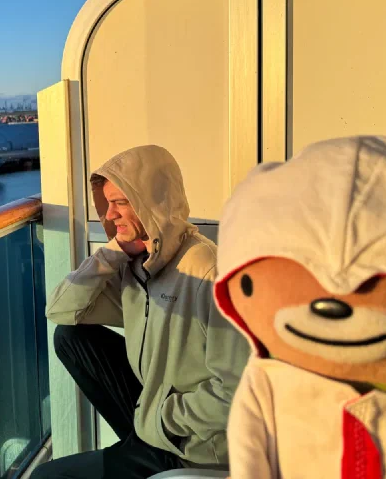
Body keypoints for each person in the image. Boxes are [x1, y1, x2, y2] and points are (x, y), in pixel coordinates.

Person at [32, 145, 248, 479]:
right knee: (70, 336)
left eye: (120, 202)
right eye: (107, 204)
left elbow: (240, 389)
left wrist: (167, 420)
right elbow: (60, 310)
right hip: (153, 429)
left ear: (155, 203)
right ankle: (141, 437)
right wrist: (110, 254)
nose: (109, 215)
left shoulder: (207, 272)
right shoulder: (136, 268)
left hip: (194, 451)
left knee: (48, 478)